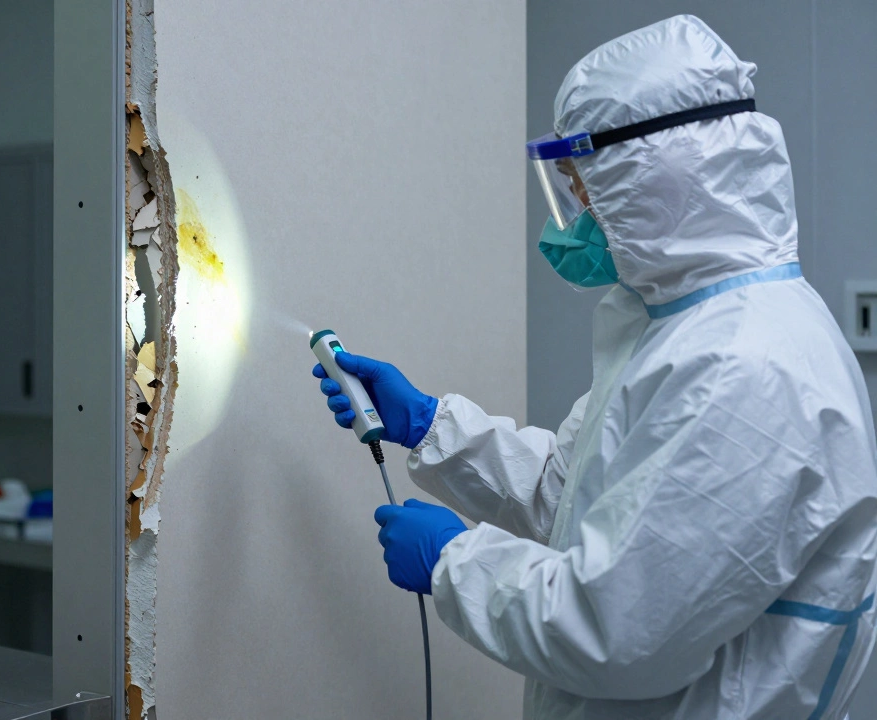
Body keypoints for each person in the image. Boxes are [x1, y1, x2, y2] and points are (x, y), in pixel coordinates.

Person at [313, 15, 877, 719]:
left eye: (585, 189)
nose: (575, 215)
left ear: (654, 177)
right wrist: (432, 428)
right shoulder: (675, 329)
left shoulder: (745, 367)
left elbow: (620, 630)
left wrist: (457, 562)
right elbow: (576, 500)